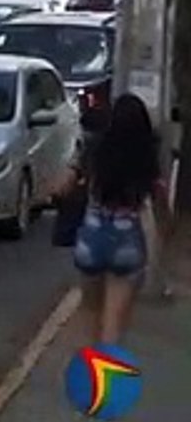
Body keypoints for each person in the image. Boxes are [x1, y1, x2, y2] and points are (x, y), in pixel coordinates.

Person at [66, 94, 167, 344]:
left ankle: (86, 378)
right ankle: (108, 380)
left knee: (88, 314)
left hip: (93, 235)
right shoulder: (147, 158)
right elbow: (160, 202)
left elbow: (67, 182)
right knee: (113, 322)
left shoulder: (97, 150)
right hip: (127, 239)